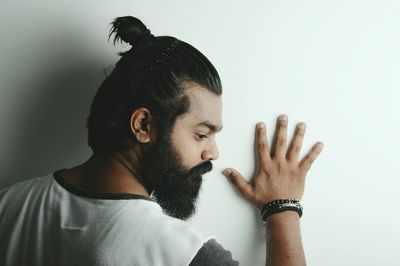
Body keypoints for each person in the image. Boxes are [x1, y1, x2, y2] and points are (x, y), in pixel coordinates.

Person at [0, 16, 324, 266]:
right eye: (201, 133)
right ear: (143, 125)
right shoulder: (175, 252)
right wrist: (283, 207)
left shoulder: (9, 203)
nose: (212, 151)